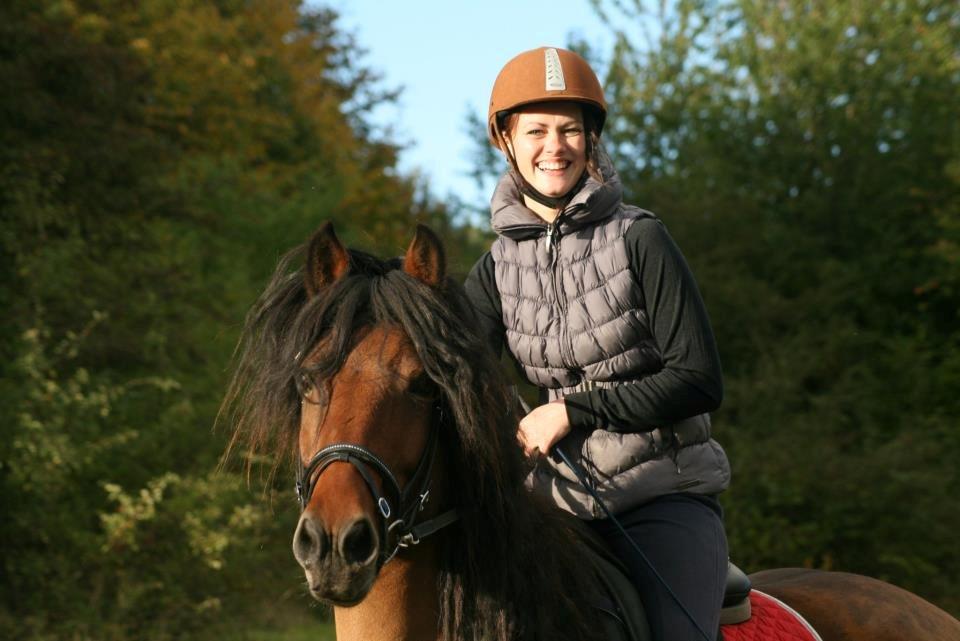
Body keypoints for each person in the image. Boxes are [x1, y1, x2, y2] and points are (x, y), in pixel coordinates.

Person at [463, 46, 731, 641]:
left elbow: (698, 379)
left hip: (665, 497)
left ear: (590, 140)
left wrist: (572, 411)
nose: (553, 146)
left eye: (569, 130)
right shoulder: (494, 269)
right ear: (506, 140)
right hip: (552, 507)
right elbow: (454, 379)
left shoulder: (641, 238)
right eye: (535, 130)